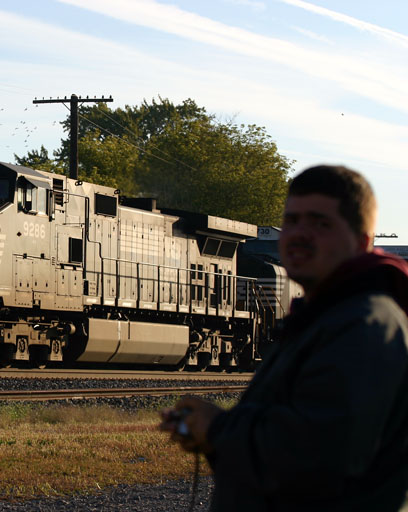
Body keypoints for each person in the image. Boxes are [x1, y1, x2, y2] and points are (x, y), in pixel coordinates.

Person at [161, 165, 408, 511]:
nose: (299, 234)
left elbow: (317, 458)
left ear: (362, 241)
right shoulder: (326, 317)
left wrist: (218, 429)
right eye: (291, 221)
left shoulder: (366, 324)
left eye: (320, 224)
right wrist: (213, 439)